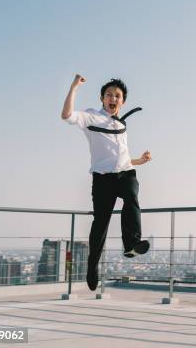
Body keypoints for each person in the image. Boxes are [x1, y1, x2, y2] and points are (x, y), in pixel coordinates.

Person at [61, 74, 152, 291]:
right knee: (101, 224)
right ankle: (92, 266)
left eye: (117, 96)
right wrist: (74, 87)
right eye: (109, 95)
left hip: (126, 173)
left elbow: (121, 156)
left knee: (132, 196)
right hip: (102, 179)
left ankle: (131, 244)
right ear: (102, 99)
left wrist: (140, 160)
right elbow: (66, 115)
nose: (113, 98)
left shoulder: (121, 124)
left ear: (123, 102)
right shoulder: (92, 117)